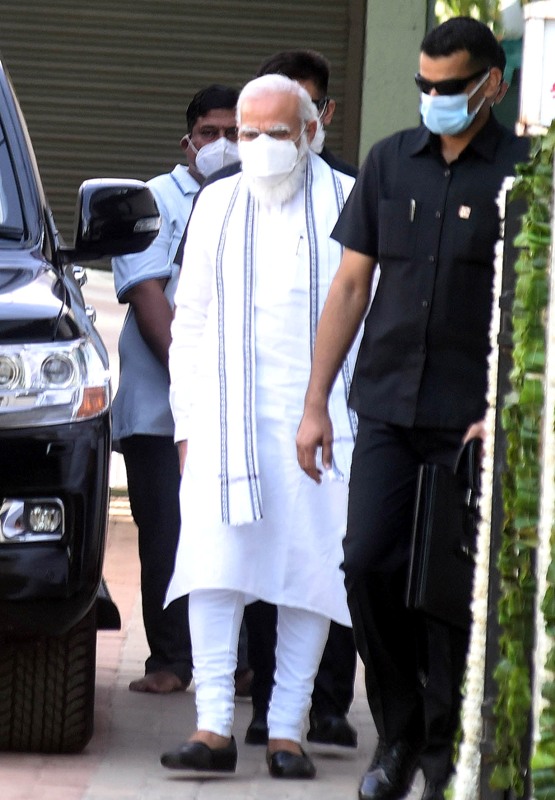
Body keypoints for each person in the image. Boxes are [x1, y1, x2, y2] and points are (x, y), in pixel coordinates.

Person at [296, 17, 529, 800]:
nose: (432, 99)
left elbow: (540, 307)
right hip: (388, 406)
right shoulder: (389, 161)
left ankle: (440, 753)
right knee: (367, 565)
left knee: (448, 593)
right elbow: (351, 287)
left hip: (472, 424)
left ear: (489, 85)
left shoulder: (526, 176)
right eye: (422, 87)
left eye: (448, 88)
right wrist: (314, 402)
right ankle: (394, 735)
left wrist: (504, 409)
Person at [160, 74, 359, 780]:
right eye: (247, 134)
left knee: (307, 570)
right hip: (223, 420)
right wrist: (187, 427)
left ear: (312, 132)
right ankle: (212, 725)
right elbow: (192, 322)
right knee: (216, 570)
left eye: (277, 133)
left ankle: (286, 729)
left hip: (323, 419)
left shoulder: (345, 200)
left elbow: (365, 310)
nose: (261, 147)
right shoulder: (215, 203)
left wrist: (347, 413)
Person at [111, 84, 239, 695]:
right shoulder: (153, 199)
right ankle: (168, 661)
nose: (222, 145)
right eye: (210, 133)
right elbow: (146, 292)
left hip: (236, 405)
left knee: (237, 531)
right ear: (186, 141)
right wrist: (197, 378)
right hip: (161, 408)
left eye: (235, 133)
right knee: (166, 531)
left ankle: (240, 664)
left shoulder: (258, 196)